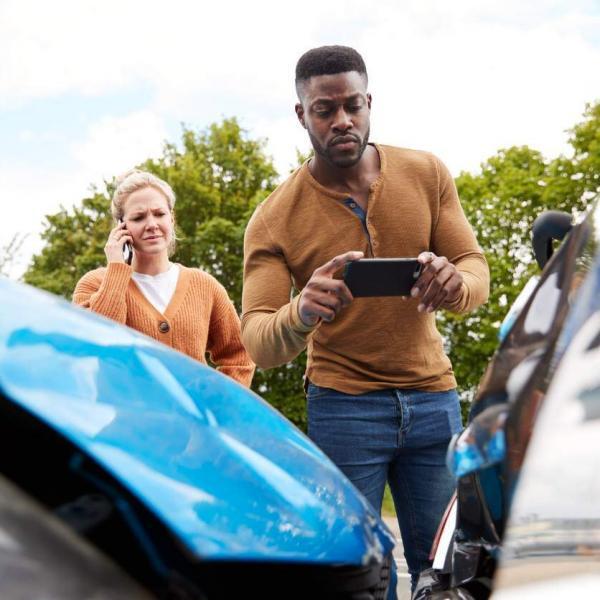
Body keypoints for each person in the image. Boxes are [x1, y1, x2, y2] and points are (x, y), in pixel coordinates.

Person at [241, 45, 489, 592]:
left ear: (369, 102)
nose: (342, 120)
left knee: (446, 575)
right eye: (325, 110)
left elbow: (475, 270)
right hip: (344, 409)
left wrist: (455, 283)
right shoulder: (273, 218)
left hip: (433, 400)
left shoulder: (427, 173)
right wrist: (302, 311)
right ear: (302, 115)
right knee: (356, 582)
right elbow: (258, 339)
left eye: (352, 105)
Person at [73, 169, 254, 388]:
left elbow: (239, 356)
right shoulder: (94, 284)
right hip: (126, 420)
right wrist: (116, 268)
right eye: (139, 217)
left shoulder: (204, 286)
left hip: (191, 422)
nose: (151, 224)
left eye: (159, 214)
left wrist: (217, 405)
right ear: (122, 226)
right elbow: (99, 344)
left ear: (172, 218)